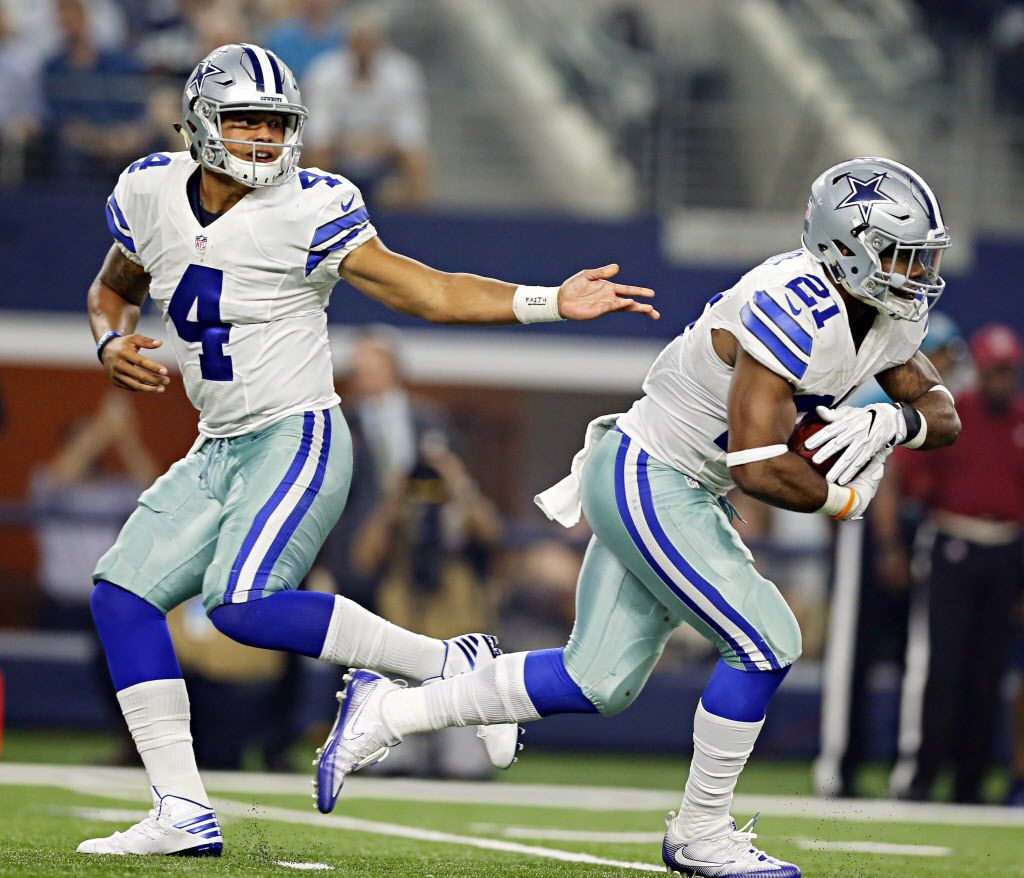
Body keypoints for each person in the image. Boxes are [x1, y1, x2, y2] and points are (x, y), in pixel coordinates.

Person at [78, 41, 656, 858]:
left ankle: (443, 662)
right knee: (121, 597)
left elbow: (429, 290)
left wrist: (547, 300)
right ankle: (182, 809)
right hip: (217, 446)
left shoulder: (309, 206)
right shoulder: (146, 190)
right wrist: (110, 343)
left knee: (242, 603)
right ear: (201, 121)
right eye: (245, 122)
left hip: (296, 434)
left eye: (276, 124)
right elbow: (113, 288)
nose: (263, 141)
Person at [320, 157, 961, 878]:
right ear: (846, 248)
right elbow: (756, 465)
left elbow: (944, 412)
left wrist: (894, 425)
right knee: (767, 638)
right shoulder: (791, 301)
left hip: (673, 482)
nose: (917, 270)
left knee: (596, 681)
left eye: (922, 254)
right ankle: (700, 831)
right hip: (653, 476)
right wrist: (845, 496)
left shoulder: (882, 313)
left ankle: (390, 712)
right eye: (903, 253)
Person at [813, 312, 965, 798]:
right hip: (869, 520)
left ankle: (901, 767)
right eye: (942, 353)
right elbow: (879, 471)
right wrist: (884, 541)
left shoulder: (929, 402)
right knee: (853, 653)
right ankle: (838, 766)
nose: (946, 365)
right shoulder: (883, 394)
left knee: (907, 656)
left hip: (907, 529)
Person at [890, 323, 1024, 804]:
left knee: (988, 674)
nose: (1001, 380)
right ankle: (920, 777)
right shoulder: (953, 414)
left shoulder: (1020, 421)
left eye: (1009, 371)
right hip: (952, 544)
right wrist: (894, 546)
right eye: (995, 370)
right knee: (941, 669)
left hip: (1006, 550)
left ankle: (971, 781)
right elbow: (907, 479)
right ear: (980, 370)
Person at [302, 10, 429, 209]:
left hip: (385, 157)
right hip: (338, 156)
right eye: (359, 42)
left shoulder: (403, 74)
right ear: (348, 43)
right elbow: (318, 134)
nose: (364, 49)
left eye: (369, 42)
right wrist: (350, 146)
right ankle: (314, 214)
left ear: (380, 43)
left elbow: (410, 134)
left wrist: (381, 146)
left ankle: (417, 225)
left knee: (417, 162)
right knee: (313, 160)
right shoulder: (324, 73)